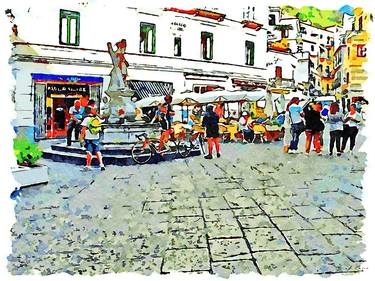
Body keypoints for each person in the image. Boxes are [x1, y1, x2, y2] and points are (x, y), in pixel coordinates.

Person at [80, 107, 105, 171]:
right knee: (97, 151)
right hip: (96, 137)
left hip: (88, 137)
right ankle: (101, 164)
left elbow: (83, 130)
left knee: (89, 151)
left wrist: (81, 138)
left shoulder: (86, 119)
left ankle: (88, 166)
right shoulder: (97, 119)